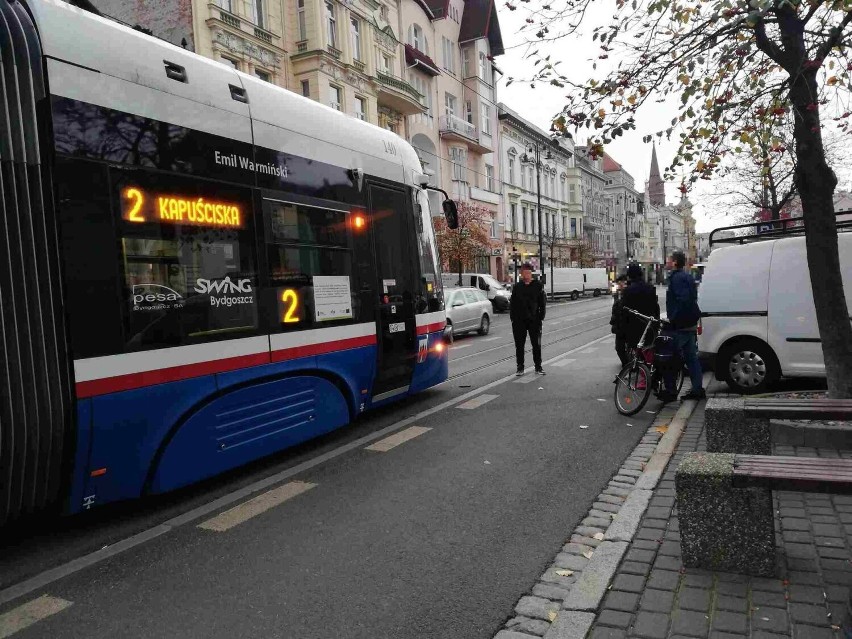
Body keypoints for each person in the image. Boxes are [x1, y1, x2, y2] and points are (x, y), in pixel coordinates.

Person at [663, 250, 705, 401]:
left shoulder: (677, 278)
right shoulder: (687, 276)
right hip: (690, 323)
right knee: (691, 358)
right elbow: (692, 297)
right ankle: (697, 389)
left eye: (669, 259)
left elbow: (683, 300)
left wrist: (673, 318)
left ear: (674, 262)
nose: (667, 261)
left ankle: (670, 391)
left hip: (680, 325)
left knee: (670, 358)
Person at [510, 263, 546, 376]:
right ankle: (520, 367)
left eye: (528, 273)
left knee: (536, 344)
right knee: (519, 345)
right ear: (521, 274)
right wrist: (513, 319)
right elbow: (513, 304)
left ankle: (538, 367)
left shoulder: (538, 286)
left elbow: (542, 303)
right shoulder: (517, 287)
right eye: (524, 273)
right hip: (519, 321)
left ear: (531, 273)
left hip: (534, 321)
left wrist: (540, 317)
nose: (526, 275)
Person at [620, 263, 660, 355]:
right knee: (648, 352)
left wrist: (622, 330)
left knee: (635, 353)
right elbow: (656, 307)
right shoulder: (650, 288)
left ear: (629, 276)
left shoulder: (628, 291)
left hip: (633, 329)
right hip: (648, 327)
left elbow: (624, 311)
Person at [609, 273, 629, 365]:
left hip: (625, 325)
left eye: (620, 283)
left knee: (621, 347)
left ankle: (628, 365)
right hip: (620, 326)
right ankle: (626, 364)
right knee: (619, 348)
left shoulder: (628, 293)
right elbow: (615, 308)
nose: (619, 285)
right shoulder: (618, 293)